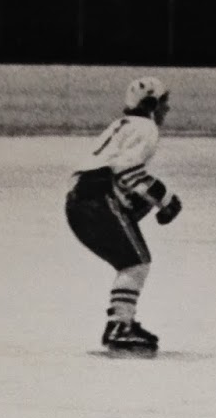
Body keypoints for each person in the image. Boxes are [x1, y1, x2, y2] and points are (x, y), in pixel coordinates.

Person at [64, 76, 183, 356]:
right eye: (164, 102)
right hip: (97, 201)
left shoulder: (121, 125)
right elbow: (128, 173)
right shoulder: (146, 128)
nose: (167, 109)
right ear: (152, 103)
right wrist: (166, 200)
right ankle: (119, 326)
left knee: (130, 262)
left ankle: (121, 323)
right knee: (136, 263)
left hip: (79, 201)